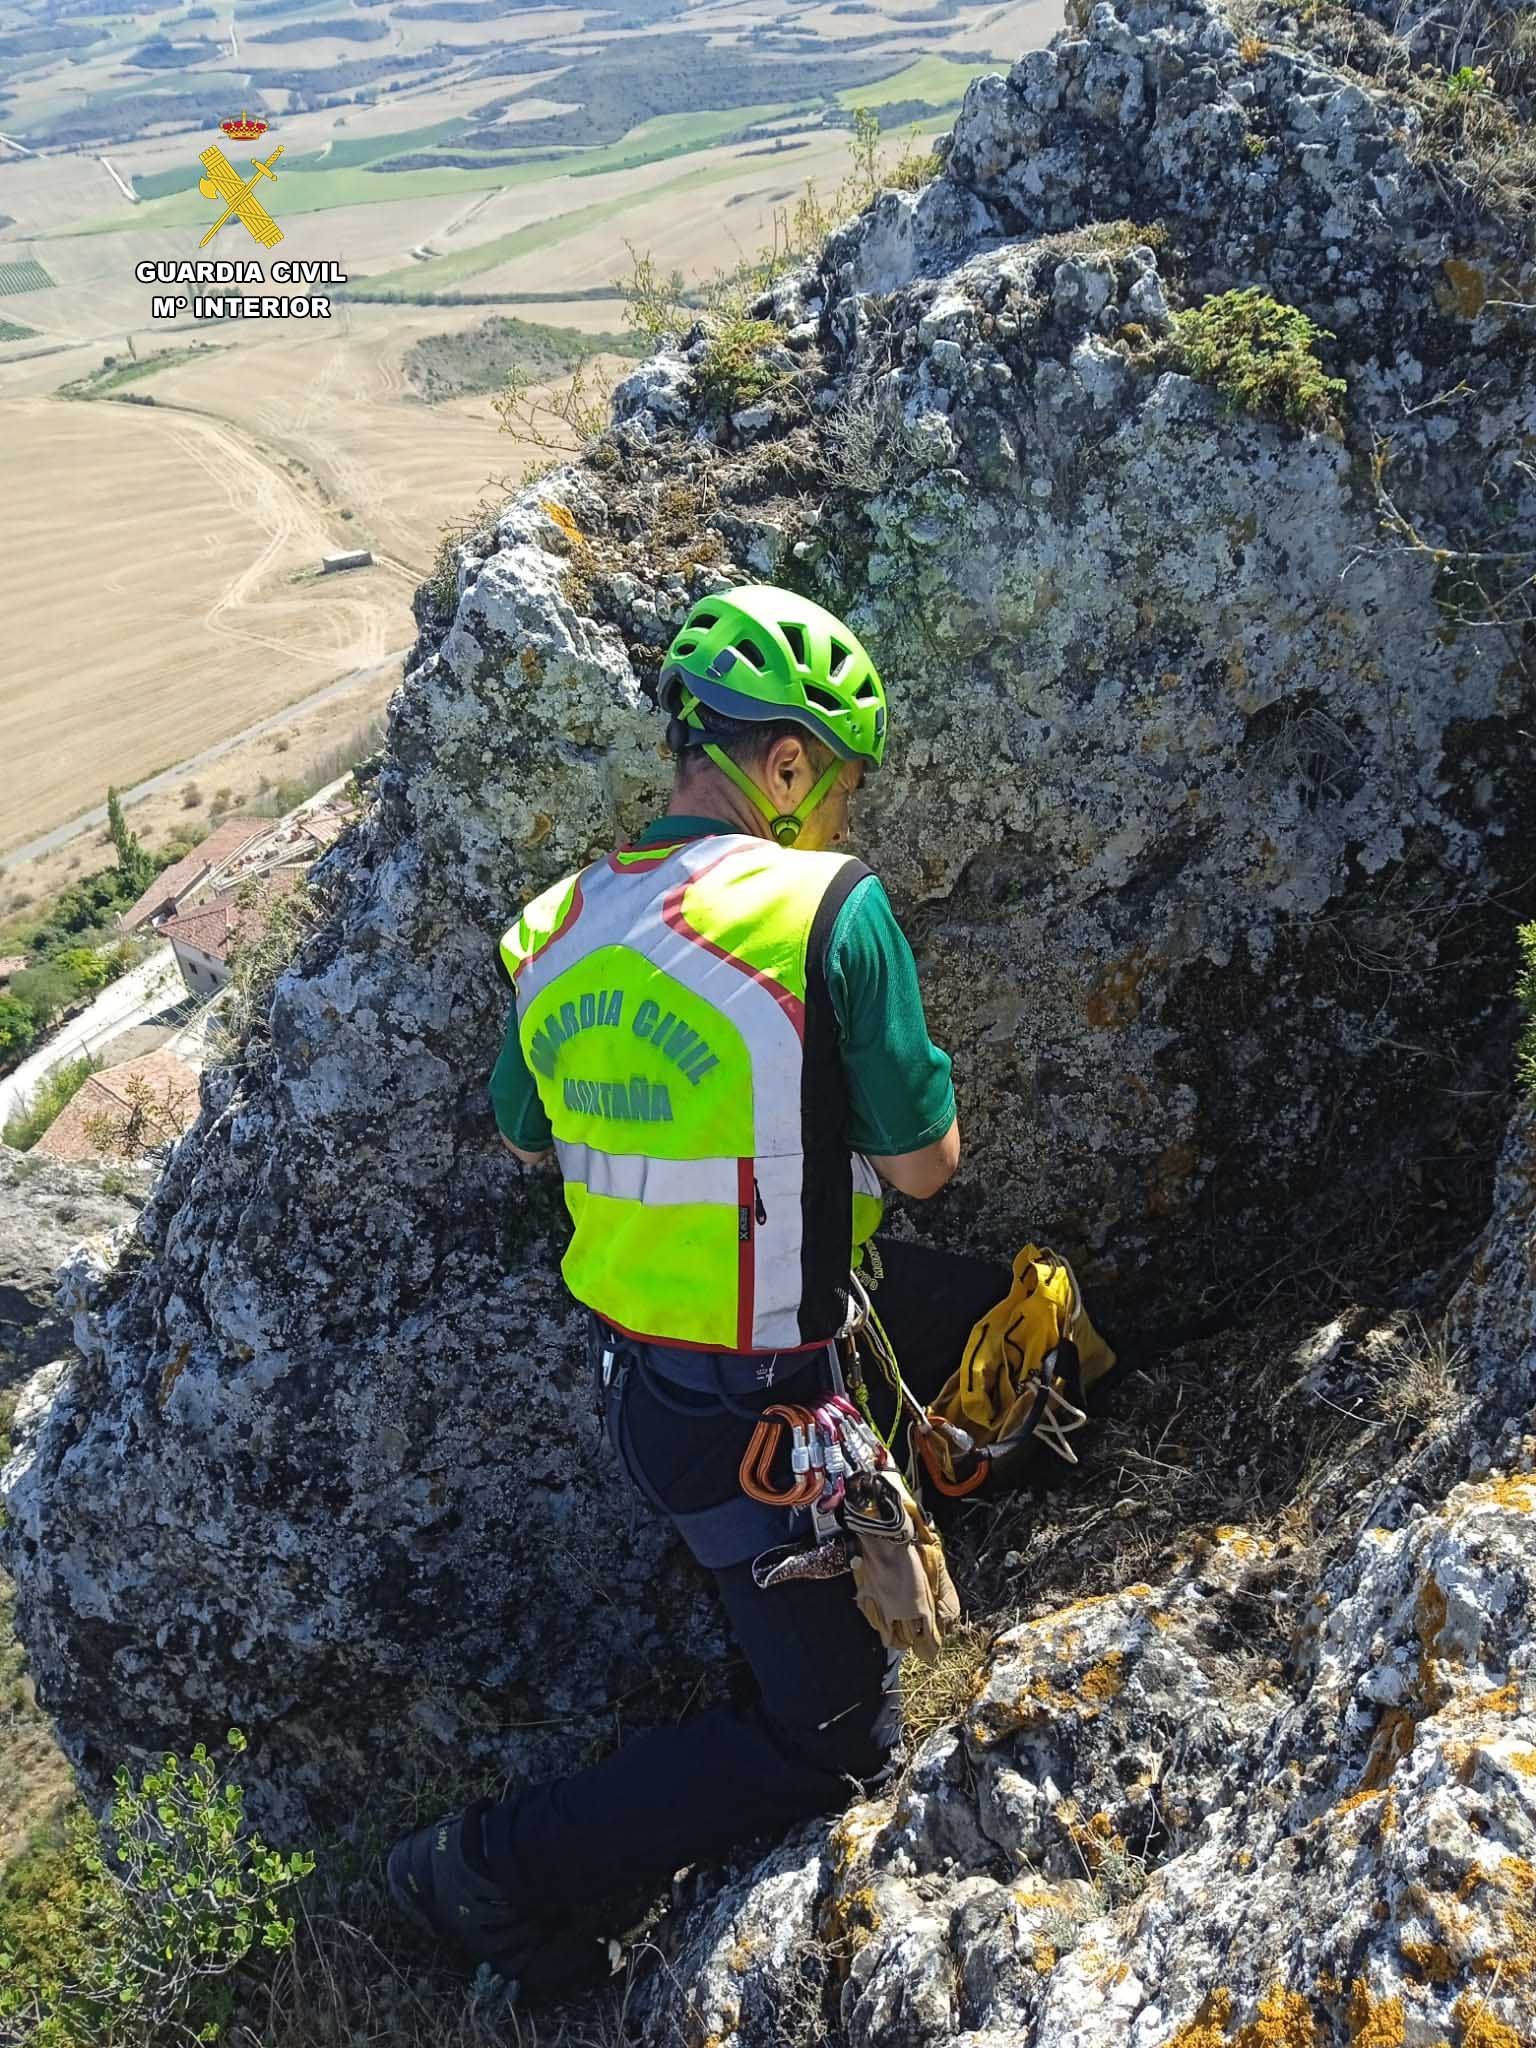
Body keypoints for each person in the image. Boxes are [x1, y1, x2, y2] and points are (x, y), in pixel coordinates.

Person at [387, 584, 969, 1990]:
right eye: (835, 782)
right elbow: (925, 1166)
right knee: (837, 1744)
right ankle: (487, 1870)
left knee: (788, 1633)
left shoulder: (553, 930)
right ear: (786, 763)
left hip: (651, 1395)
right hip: (762, 1421)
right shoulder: (827, 907)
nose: (834, 814)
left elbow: (529, 1131)